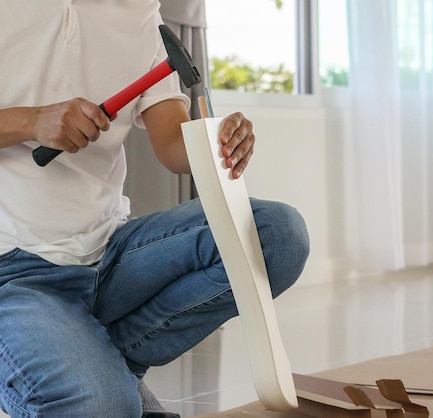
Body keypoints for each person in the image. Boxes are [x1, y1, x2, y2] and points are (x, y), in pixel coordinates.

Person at [0, 1, 310, 417]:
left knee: (276, 234)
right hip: (12, 272)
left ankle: (100, 355)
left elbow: (174, 146)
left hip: (109, 255)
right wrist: (31, 122)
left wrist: (217, 143)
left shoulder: (139, 13)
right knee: (102, 406)